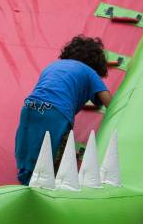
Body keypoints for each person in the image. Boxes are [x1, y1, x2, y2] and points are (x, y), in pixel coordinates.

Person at [15, 35, 112, 185]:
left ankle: (26, 184)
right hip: (56, 112)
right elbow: (108, 102)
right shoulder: (89, 72)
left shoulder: (52, 66)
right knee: (54, 158)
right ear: (96, 64)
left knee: (29, 152)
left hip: (30, 106)